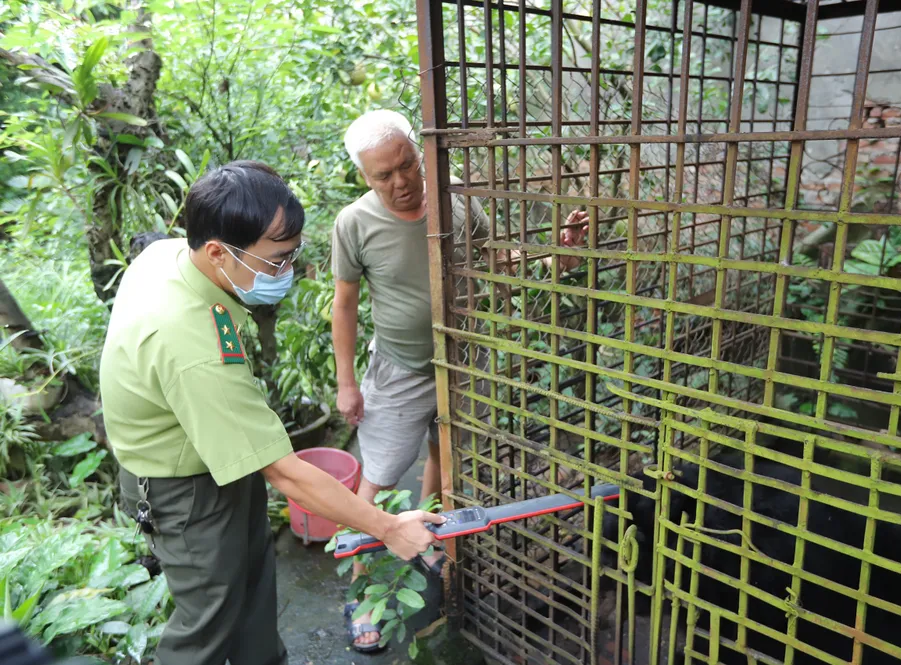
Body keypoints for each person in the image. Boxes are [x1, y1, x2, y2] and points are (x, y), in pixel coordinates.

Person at [100, 160, 445, 665]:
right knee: (208, 622)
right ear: (218, 251)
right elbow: (287, 473)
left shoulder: (169, 253)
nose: (288, 271)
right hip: (183, 489)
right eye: (278, 260)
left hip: (217, 457)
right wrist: (388, 527)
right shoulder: (189, 346)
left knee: (256, 585)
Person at [331, 110, 588, 652]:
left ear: (419, 154)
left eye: (406, 165)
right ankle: (360, 591)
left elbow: (500, 266)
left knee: (443, 452)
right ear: (365, 177)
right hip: (399, 367)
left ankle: (428, 541)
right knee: (375, 475)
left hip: (460, 359)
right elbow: (346, 304)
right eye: (384, 175)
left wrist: (558, 253)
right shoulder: (354, 223)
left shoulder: (457, 203)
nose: (400, 181)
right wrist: (346, 382)